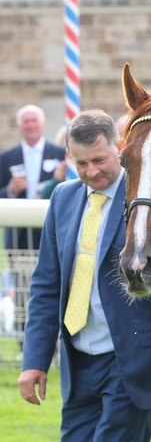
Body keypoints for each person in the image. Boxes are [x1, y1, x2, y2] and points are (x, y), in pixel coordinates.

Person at [18, 110, 151, 440]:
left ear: (119, 147)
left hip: (131, 367)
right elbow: (46, 286)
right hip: (78, 365)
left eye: (99, 160)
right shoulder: (63, 198)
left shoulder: (149, 205)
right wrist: (34, 361)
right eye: (81, 164)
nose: (92, 171)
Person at [0, 105, 65, 351]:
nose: (30, 125)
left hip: (52, 233)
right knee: (22, 289)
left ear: (43, 123)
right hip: (18, 237)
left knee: (54, 286)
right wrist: (10, 191)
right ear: (20, 125)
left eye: (34, 121)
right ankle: (25, 347)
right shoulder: (6, 157)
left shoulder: (59, 153)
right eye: (26, 121)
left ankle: (56, 345)